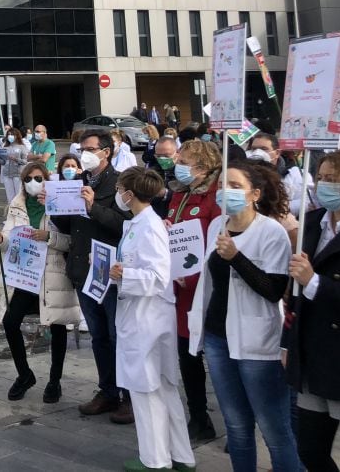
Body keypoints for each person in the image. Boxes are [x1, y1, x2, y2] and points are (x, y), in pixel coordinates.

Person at [187, 161, 298, 472]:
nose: (226, 191)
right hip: (217, 338)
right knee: (236, 426)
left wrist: (236, 257)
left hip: (256, 342)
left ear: (255, 194)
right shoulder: (216, 226)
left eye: (235, 185)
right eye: (223, 184)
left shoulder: (270, 232)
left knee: (275, 429)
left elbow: (273, 289)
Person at [110, 167, 196, 472]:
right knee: (160, 388)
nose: (118, 194)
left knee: (147, 391)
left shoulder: (149, 226)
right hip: (144, 316)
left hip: (147, 319)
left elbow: (159, 276)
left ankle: (155, 460)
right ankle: (180, 455)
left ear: (130, 194)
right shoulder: (140, 223)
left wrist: (125, 274)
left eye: (121, 189)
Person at [47, 129, 134, 423]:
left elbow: (126, 226)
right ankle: (107, 391)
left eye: (89, 148)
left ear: (106, 152)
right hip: (83, 270)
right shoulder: (77, 180)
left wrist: (93, 207)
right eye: (81, 147)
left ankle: (128, 396)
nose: (83, 152)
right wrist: (54, 203)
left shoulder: (122, 182)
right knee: (98, 336)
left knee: (116, 334)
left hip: (109, 271)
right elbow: (65, 224)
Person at [0, 162, 80, 402]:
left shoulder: (58, 203)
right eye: (29, 178)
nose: (34, 182)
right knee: (10, 321)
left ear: (47, 180)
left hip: (53, 273)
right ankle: (24, 374)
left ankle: (55, 380)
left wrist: (48, 236)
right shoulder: (16, 204)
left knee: (57, 324)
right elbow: (11, 233)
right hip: (26, 275)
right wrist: (2, 238)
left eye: (39, 178)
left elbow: (71, 241)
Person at [163, 139, 222, 441]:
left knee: (219, 358)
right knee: (188, 356)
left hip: (206, 289)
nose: (178, 164)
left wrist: (197, 275)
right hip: (180, 291)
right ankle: (199, 416)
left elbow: (217, 242)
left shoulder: (216, 197)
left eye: (184, 160)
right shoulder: (179, 193)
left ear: (202, 167)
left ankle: (240, 425)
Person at [285, 151, 340, 471]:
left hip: (337, 356)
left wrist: (314, 282)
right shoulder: (312, 224)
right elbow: (293, 295)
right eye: (321, 177)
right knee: (309, 448)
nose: (325, 184)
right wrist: (286, 341)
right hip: (311, 354)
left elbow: (308, 281)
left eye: (334, 178)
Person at [246, 132, 312, 218]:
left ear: (277, 153)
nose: (257, 152)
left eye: (264, 149)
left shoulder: (295, 174)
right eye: (254, 149)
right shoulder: (243, 173)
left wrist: (277, 208)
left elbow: (306, 202)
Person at [1, 128, 29, 203]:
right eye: (8, 135)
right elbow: (3, 162)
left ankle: (20, 212)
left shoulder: (22, 147)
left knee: (19, 196)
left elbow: (25, 161)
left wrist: (16, 159)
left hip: (18, 174)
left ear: (17, 136)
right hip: (7, 174)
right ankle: (11, 212)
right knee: (10, 197)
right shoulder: (5, 147)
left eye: (12, 135)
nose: (10, 136)